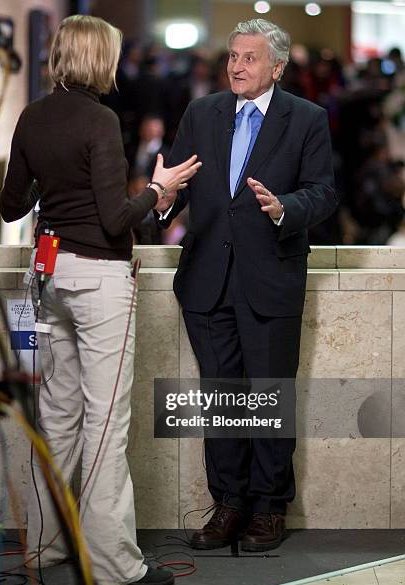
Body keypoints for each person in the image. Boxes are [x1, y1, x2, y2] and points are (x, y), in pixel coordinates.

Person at [0, 15, 200, 585]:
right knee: (106, 423)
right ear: (98, 60)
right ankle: (113, 563)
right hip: (99, 280)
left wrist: (55, 180)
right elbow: (116, 217)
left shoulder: (33, 116)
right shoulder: (101, 119)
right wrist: (160, 192)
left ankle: (44, 545)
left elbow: (13, 207)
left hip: (52, 277)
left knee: (57, 418)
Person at [158, 19, 337, 552]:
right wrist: (165, 200)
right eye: (233, 56)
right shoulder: (201, 112)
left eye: (250, 58)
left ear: (277, 67)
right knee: (222, 398)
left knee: (267, 397)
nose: (237, 65)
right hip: (207, 283)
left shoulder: (307, 119)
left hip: (270, 280)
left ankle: (268, 507)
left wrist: (286, 209)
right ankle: (229, 504)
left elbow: (324, 192)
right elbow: (179, 182)